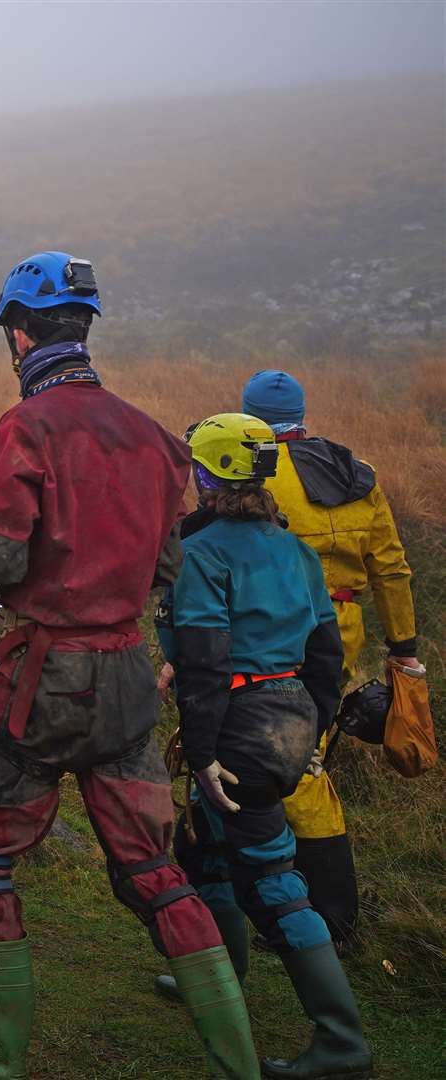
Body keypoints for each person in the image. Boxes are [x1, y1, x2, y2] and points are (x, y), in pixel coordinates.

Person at [0, 252, 256, 1080]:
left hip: (42, 682)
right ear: (85, 331)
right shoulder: (154, 438)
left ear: (21, 337)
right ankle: (241, 1063)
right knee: (155, 868)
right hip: (129, 678)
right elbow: (168, 570)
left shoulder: (27, 427)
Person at [157, 413, 371, 1080]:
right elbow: (326, 654)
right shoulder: (295, 549)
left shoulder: (204, 553)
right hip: (291, 718)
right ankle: (223, 976)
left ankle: (341, 1040)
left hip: (237, 725)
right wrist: (315, 737)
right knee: (205, 851)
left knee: (275, 883)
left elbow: (202, 659)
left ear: (205, 473)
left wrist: (202, 747)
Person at [245, 368, 421, 948]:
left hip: (282, 630)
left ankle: (327, 916)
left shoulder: (259, 472)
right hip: (342, 632)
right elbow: (391, 568)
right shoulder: (356, 472)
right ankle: (313, 910)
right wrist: (404, 650)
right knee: (304, 755)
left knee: (296, 769)